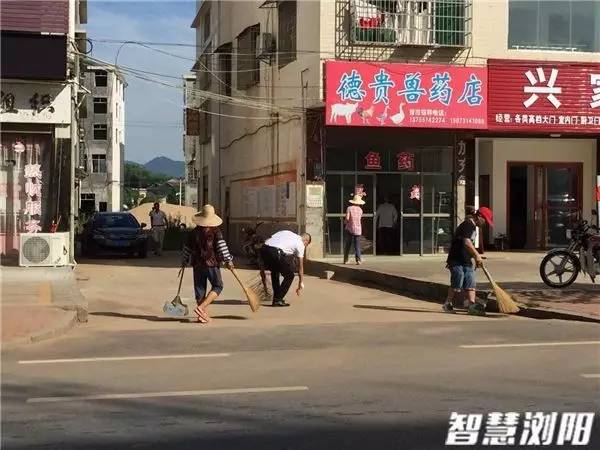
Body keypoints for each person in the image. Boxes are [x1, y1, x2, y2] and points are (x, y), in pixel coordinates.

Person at [183, 204, 233, 323]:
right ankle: (201, 308)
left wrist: (184, 260)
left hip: (197, 264)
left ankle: (201, 316)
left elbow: (187, 248)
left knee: (200, 289)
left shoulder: (193, 232)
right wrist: (228, 260)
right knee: (218, 286)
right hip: (211, 263)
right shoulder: (215, 232)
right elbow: (222, 246)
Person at [443, 207, 494, 316]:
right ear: (479, 216)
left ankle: (471, 305)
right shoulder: (468, 224)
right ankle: (448, 303)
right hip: (456, 259)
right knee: (458, 279)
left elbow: (468, 245)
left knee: (470, 281)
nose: (485, 223)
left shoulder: (473, 227)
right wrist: (477, 255)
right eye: (485, 220)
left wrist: (475, 258)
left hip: (466, 259)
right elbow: (466, 242)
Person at [259, 230, 311, 307]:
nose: (305, 246)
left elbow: (269, 240)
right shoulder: (300, 244)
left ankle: (276, 299)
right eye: (307, 244)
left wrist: (262, 267)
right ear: (306, 241)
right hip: (276, 252)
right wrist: (300, 282)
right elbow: (300, 266)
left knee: (275, 271)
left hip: (264, 249)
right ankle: (278, 299)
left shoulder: (287, 232)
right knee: (290, 275)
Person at [344, 194, 364, 265]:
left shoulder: (349, 208)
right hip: (358, 229)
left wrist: (345, 223)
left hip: (350, 228)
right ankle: (358, 260)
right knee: (357, 245)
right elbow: (359, 219)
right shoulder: (360, 210)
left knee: (348, 245)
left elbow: (347, 218)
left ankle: (346, 260)